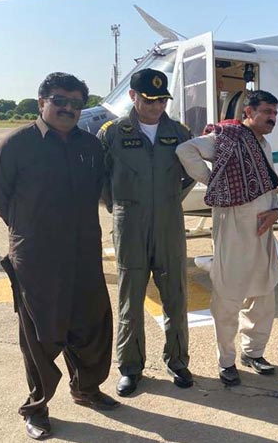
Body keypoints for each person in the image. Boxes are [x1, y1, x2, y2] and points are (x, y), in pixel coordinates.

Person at [0, 73, 119, 440]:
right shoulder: (15, 145)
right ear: (41, 101)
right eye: (61, 100)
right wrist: (33, 228)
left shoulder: (91, 147)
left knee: (92, 325)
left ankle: (86, 388)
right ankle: (37, 406)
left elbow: (97, 191)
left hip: (84, 254)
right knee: (41, 335)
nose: (68, 109)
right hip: (38, 258)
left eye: (76, 103)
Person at [98, 68, 194, 396]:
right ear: (133, 97)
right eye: (149, 100)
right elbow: (101, 178)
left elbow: (191, 173)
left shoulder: (179, 133)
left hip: (169, 222)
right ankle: (130, 367)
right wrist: (121, 207)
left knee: (175, 295)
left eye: (161, 100)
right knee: (130, 297)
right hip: (130, 224)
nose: (156, 107)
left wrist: (169, 201)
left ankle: (178, 360)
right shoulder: (112, 132)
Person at [176, 90, 278, 386]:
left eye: (275, 113)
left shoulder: (265, 144)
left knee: (263, 297)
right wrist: (215, 181)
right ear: (248, 112)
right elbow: (185, 151)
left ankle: (254, 352)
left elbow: (269, 186)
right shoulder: (227, 137)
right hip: (234, 230)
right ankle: (227, 361)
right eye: (267, 112)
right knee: (228, 299)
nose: (272, 118)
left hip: (262, 231)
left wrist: (275, 212)